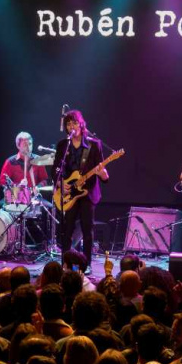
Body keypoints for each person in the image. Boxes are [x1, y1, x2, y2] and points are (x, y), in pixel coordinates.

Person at [53, 110, 109, 271]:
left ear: (81, 124)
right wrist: (60, 183)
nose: (72, 127)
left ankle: (87, 264)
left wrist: (103, 174)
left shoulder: (94, 144)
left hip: (87, 192)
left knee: (87, 230)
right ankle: (66, 263)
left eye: (75, 123)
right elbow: (56, 168)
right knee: (67, 229)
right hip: (69, 193)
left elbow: (103, 173)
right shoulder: (63, 145)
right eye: (68, 124)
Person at [0, 132, 49, 209]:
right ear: (18, 146)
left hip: (34, 198)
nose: (29, 147)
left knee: (50, 208)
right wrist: (18, 186)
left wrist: (38, 187)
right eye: (25, 145)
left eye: (30, 144)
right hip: (16, 197)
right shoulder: (10, 162)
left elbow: (44, 180)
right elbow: (2, 181)